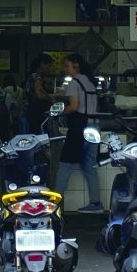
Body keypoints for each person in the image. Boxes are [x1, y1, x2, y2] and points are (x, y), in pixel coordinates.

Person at [54, 53, 103, 213]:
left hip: (80, 128)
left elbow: (74, 106)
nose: (65, 69)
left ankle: (55, 205)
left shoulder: (74, 83)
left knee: (64, 166)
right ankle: (96, 204)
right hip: (94, 128)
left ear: (76, 66)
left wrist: (59, 112)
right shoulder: (90, 82)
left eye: (67, 66)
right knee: (89, 166)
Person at [23, 54, 53, 132]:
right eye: (49, 66)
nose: (50, 69)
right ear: (42, 64)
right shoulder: (38, 77)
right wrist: (55, 96)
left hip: (31, 113)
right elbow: (39, 95)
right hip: (37, 113)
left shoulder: (32, 76)